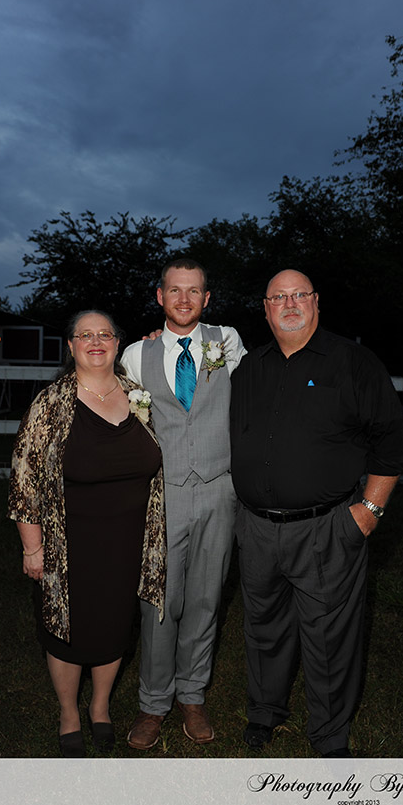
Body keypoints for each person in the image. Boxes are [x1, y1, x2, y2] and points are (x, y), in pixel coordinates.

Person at [230, 269, 403, 757]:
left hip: (326, 527)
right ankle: (264, 712)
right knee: (263, 627)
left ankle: (329, 735)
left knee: (329, 635)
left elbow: (392, 444)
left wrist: (368, 511)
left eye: (299, 295)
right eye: (278, 297)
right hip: (256, 528)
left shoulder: (353, 362)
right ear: (265, 308)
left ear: (316, 302)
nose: (289, 304)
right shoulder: (249, 368)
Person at [8, 310, 166, 757]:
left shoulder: (137, 395)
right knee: (66, 630)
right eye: (85, 335)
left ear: (117, 343)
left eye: (104, 334)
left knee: (114, 626)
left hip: (128, 540)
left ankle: (99, 707)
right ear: (71, 346)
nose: (95, 342)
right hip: (69, 543)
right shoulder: (51, 403)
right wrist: (32, 547)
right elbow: (24, 480)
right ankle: (68, 713)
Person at [121, 257, 246, 748]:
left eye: (194, 290)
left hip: (218, 487)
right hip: (163, 492)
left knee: (206, 598)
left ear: (207, 298)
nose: (184, 299)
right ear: (160, 296)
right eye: (175, 290)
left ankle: (192, 695)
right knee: (159, 601)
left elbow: (255, 390)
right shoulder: (137, 354)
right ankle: (154, 703)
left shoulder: (226, 341)